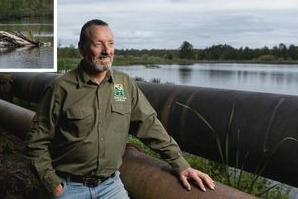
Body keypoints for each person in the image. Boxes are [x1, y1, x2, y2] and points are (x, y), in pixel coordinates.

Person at [26, 19, 215, 198]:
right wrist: (53, 184)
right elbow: (35, 143)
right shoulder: (60, 88)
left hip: (110, 186)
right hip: (70, 187)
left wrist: (180, 163)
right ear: (82, 48)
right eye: (98, 44)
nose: (107, 51)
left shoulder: (125, 84)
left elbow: (149, 125)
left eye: (110, 43)